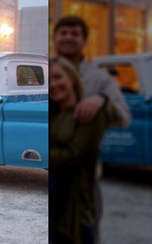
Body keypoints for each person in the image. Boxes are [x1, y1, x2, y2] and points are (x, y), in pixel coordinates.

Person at [52, 15, 131, 242]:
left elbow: (124, 116)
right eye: (63, 33)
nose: (68, 38)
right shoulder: (50, 69)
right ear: (55, 38)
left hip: (82, 182)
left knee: (84, 232)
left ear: (84, 40)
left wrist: (104, 101)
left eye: (75, 33)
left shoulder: (99, 79)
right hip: (53, 179)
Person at [49, 57, 108, 243]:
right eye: (49, 80)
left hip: (75, 205)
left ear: (72, 78)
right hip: (53, 203)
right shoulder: (53, 113)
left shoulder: (89, 113)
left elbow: (76, 155)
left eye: (58, 77)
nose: (53, 84)